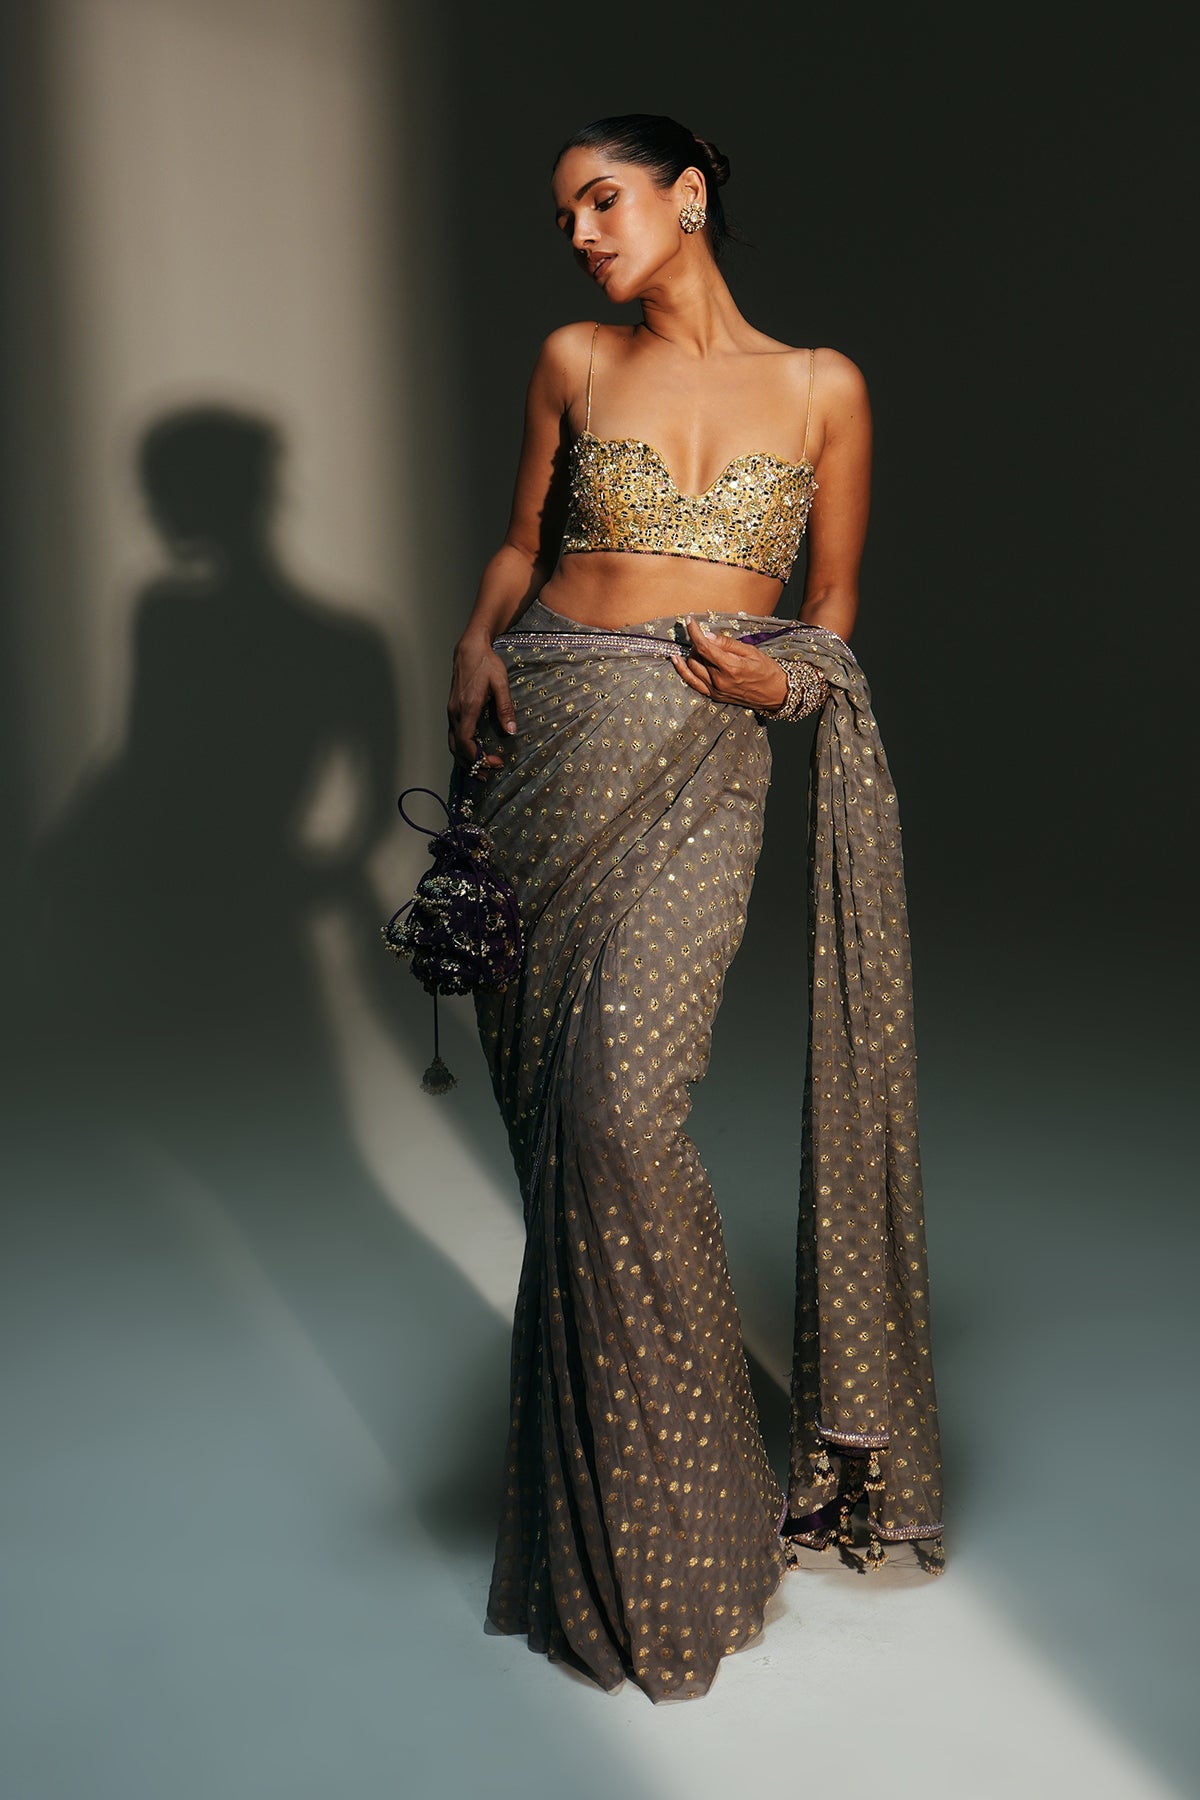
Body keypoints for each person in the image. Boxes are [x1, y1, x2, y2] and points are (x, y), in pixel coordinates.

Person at [444, 113, 944, 1703]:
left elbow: (835, 601)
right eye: (566, 215)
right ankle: (636, 1501)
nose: (583, 232)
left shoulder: (822, 386)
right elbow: (521, 542)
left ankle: (697, 1498)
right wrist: (474, 638)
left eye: (605, 199)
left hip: (703, 758)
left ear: (691, 195)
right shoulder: (575, 362)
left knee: (619, 1117)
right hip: (545, 742)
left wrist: (789, 684)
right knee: (564, 1140)